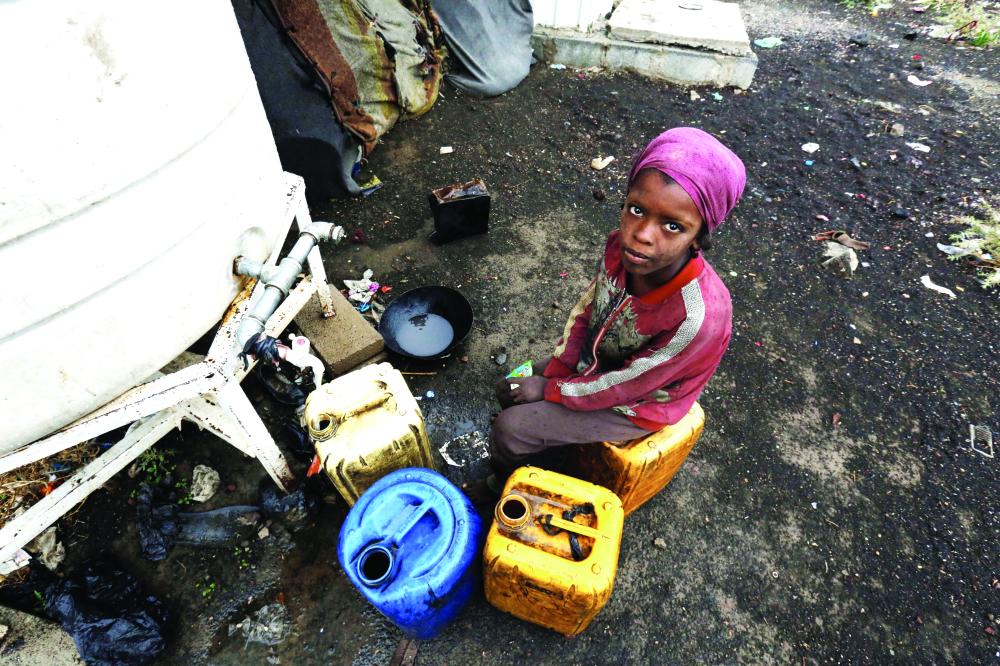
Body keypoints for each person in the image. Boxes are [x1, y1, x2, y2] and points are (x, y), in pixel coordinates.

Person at [486, 127, 746, 484]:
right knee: (510, 385)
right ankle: (543, 444)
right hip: (598, 361)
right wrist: (559, 367)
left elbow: (629, 384)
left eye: (672, 226)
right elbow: (586, 312)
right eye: (636, 209)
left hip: (639, 401)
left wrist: (549, 389)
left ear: (699, 238)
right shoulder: (619, 251)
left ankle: (504, 486)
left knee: (510, 429)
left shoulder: (697, 318)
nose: (641, 235)